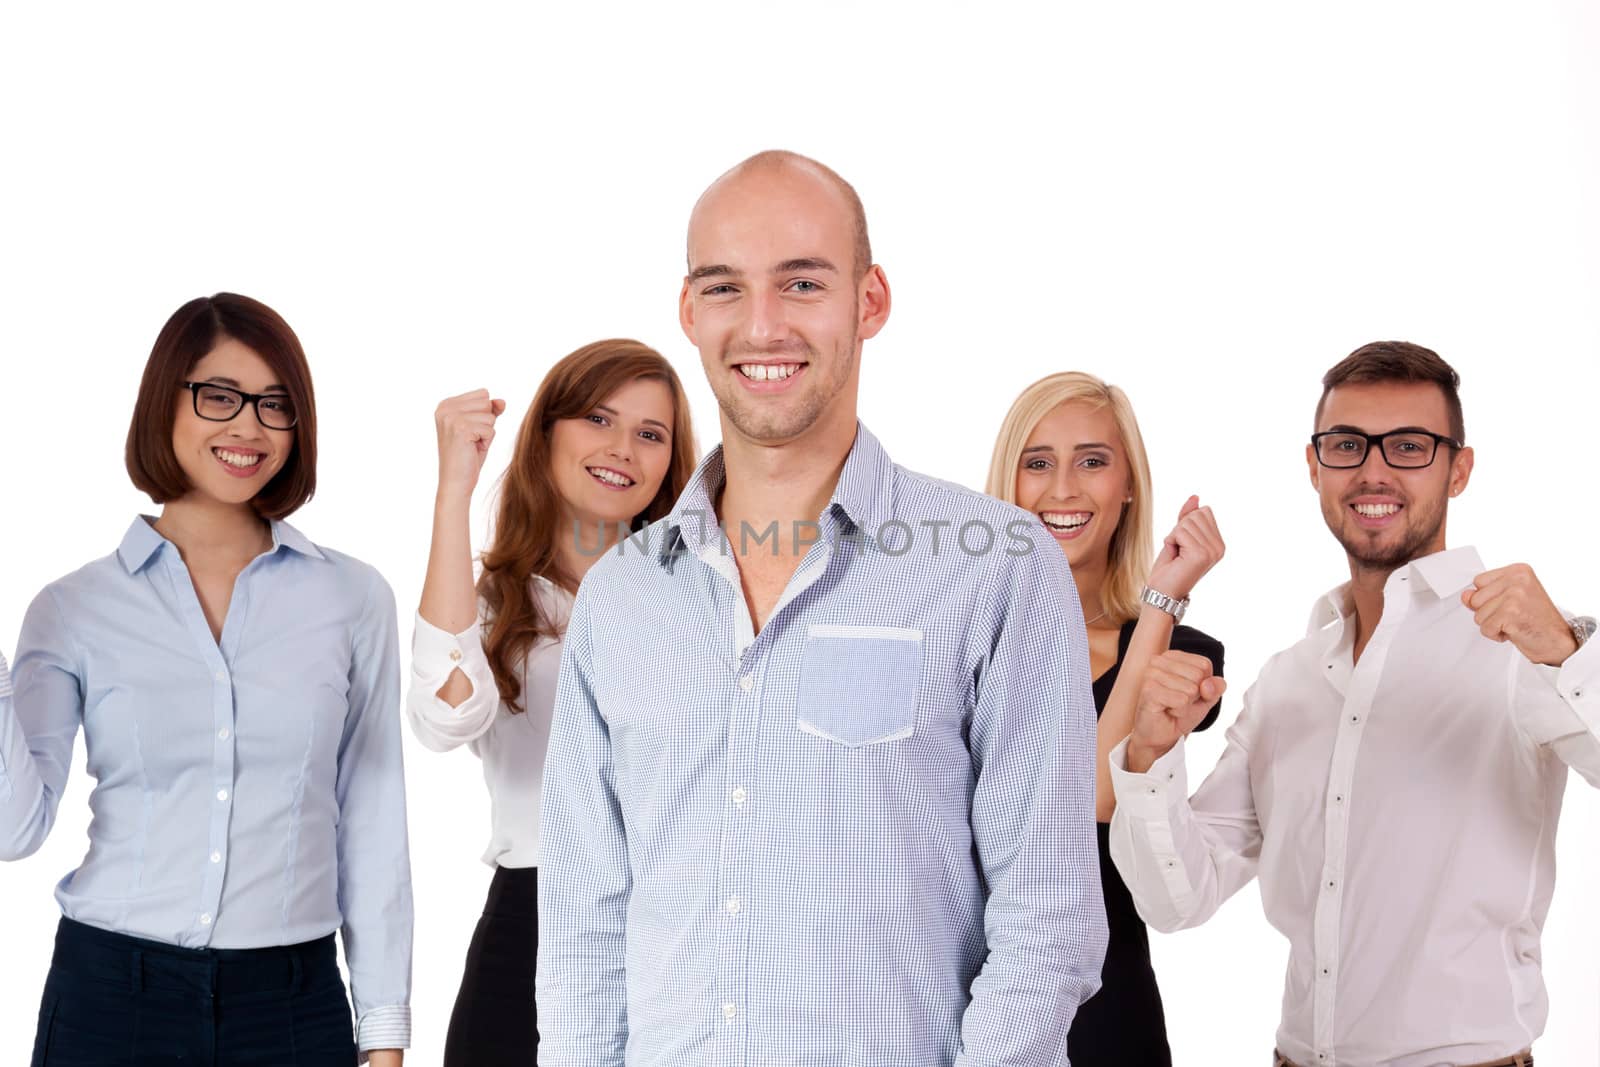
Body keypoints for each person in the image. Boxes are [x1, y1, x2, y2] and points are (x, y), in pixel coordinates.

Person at [536, 150, 1108, 1067]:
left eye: (802, 282)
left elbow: (1047, 921)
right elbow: (583, 926)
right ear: (689, 311)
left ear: (870, 301)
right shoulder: (621, 596)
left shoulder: (997, 567)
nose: (762, 325)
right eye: (725, 287)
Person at [1108, 341, 1599, 1067]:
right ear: (1314, 467)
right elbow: (1179, 899)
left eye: (1409, 446)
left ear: (1458, 469)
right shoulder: (1288, 681)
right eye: (1347, 446)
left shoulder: (1523, 647)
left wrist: (1564, 651)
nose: (1374, 471)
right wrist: (1150, 755)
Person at [1, 293, 412, 1065]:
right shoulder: (72, 608)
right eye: (219, 395)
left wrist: (385, 1029)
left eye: (275, 404)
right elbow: (13, 828)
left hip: (292, 1004)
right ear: (167, 400)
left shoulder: (353, 598)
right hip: (109, 996)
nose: (248, 427)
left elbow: (372, 815)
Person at [404, 339, 696, 1066]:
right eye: (599, 419)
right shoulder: (498, 603)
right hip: (531, 926)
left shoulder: (699, 598)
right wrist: (453, 492)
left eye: (650, 433)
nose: (622, 448)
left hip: (678, 926)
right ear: (547, 434)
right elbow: (443, 720)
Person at [985, 371, 1225, 1065]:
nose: (1063, 488)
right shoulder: (961, 646)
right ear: (1010, 482)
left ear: (1128, 485)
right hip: (964, 1003)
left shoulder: (1179, 659)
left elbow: (1089, 796)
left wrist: (1160, 603)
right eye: (1038, 463)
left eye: (1092, 460)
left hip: (1107, 1020)